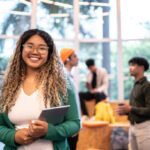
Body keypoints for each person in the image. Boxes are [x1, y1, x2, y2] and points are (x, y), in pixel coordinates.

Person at [0, 29, 80, 150]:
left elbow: (74, 123)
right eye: (30, 46)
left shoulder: (62, 83)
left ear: (49, 53)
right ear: (21, 49)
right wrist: (13, 136)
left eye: (42, 48)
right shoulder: (7, 85)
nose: (35, 52)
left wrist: (49, 131)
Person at [116, 57, 150, 150]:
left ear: (141, 68)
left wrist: (130, 109)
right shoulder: (135, 85)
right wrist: (126, 111)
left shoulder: (147, 86)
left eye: (133, 65)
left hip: (144, 128)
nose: (130, 68)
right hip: (132, 127)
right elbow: (137, 108)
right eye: (130, 65)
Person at [60, 48, 81, 150]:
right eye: (75, 56)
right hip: (68, 125)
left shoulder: (70, 77)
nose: (78, 58)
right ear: (67, 59)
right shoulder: (62, 76)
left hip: (73, 124)